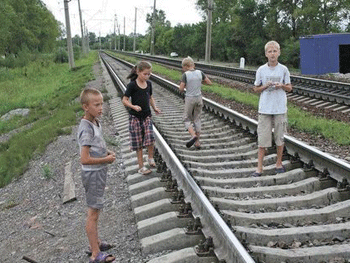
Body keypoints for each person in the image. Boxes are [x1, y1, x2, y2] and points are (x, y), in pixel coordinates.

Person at [77, 87, 116, 263]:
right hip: (92, 175)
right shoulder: (86, 128)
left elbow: (96, 146)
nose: (101, 108)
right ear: (86, 106)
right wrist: (106, 159)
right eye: (97, 104)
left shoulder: (95, 122)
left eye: (102, 104)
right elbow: (84, 159)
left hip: (98, 173)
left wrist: (106, 152)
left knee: (96, 211)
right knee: (93, 214)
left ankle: (97, 242)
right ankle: (95, 253)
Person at [251, 40, 293, 177]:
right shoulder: (261, 70)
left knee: (279, 137)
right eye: (270, 51)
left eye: (275, 51)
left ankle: (279, 163)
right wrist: (265, 86)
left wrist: (281, 86)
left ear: (279, 53)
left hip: (280, 108)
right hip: (265, 109)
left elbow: (289, 88)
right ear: (266, 54)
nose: (272, 54)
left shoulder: (284, 69)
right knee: (262, 139)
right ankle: (259, 168)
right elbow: (256, 89)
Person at [122, 61, 161, 175]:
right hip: (135, 117)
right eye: (145, 74)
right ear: (138, 72)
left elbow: (150, 97)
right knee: (138, 143)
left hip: (147, 116)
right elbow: (124, 100)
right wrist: (133, 106)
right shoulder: (132, 85)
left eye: (149, 74)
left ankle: (150, 157)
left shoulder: (149, 84)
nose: (147, 76)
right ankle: (141, 167)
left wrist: (155, 108)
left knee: (150, 137)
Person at [179, 56, 212, 149]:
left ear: (185, 66)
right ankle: (197, 142)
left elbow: (181, 89)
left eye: (182, 67)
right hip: (199, 98)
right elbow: (209, 82)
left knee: (186, 118)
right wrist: (199, 82)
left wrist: (185, 85)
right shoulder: (200, 72)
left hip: (190, 98)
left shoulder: (185, 75)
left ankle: (193, 135)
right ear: (193, 65)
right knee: (197, 119)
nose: (182, 69)